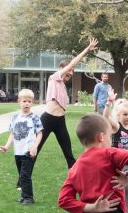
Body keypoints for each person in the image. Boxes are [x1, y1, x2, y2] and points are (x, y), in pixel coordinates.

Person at [35, 37, 99, 170]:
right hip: (48, 119)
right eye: (68, 70)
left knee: (68, 153)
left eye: (72, 72)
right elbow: (73, 63)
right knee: (35, 148)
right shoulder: (54, 78)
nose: (70, 72)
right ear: (61, 69)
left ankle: (77, 178)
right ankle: (22, 180)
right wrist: (87, 49)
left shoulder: (62, 87)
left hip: (60, 121)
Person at [0, 88, 43, 205]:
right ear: (19, 101)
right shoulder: (15, 118)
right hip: (17, 151)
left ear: (32, 102)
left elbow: (40, 134)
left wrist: (34, 147)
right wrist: (6, 147)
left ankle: (29, 198)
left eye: (29, 101)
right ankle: (24, 196)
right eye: (24, 101)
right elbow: (12, 134)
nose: (26, 103)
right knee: (21, 174)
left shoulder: (35, 118)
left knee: (25, 175)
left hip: (29, 151)